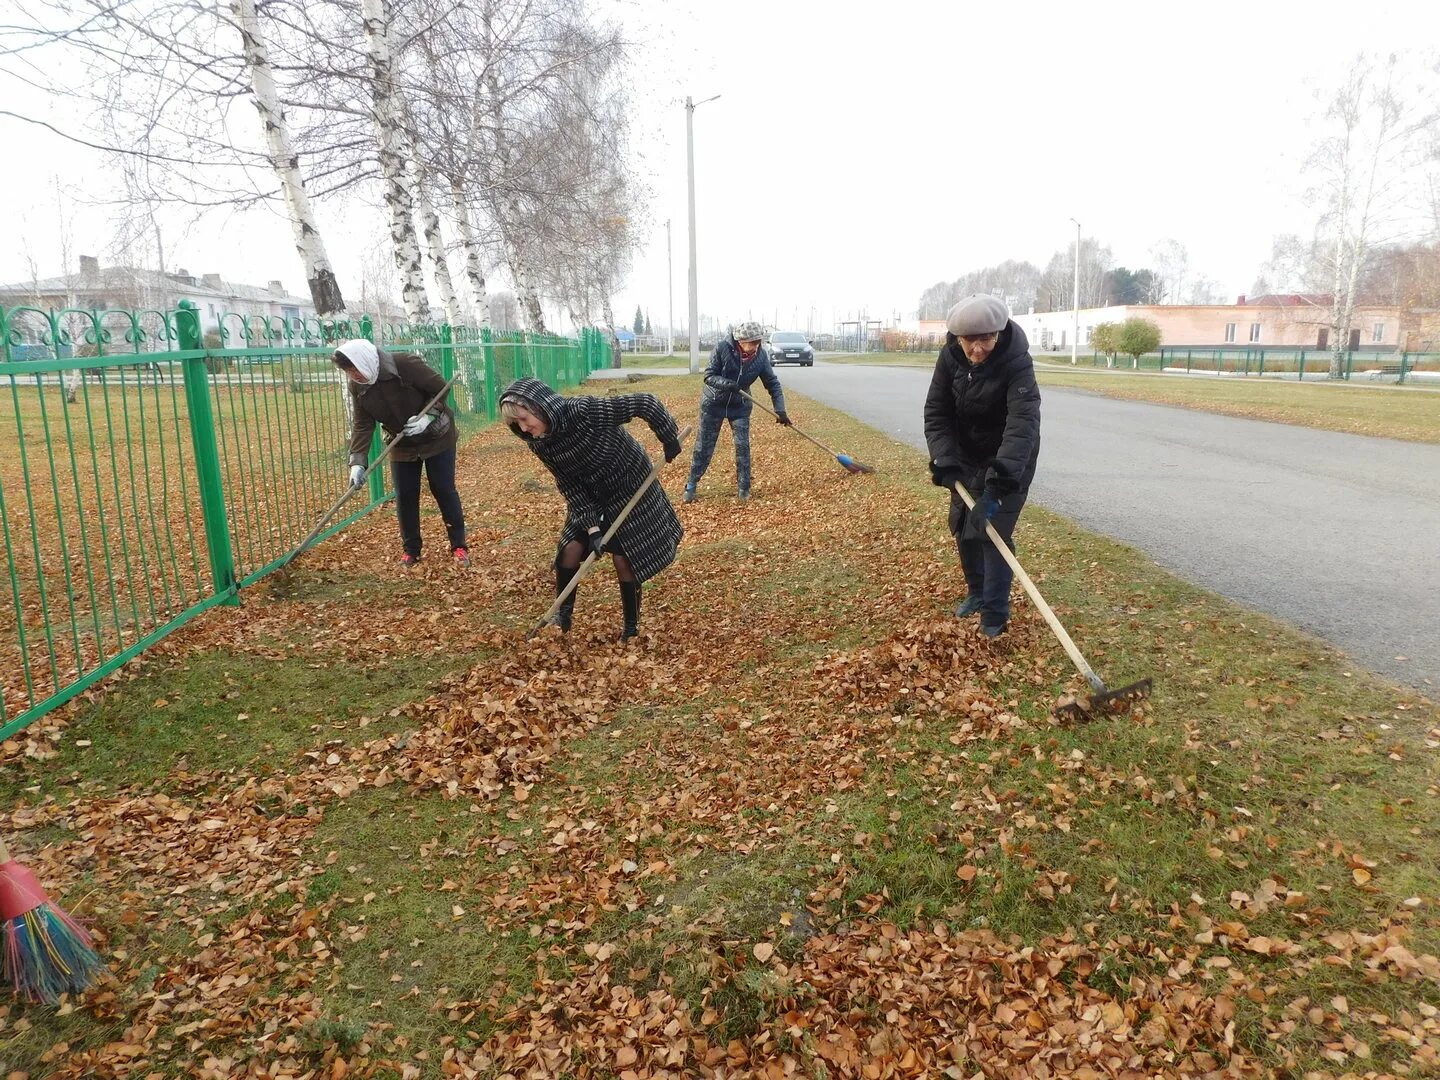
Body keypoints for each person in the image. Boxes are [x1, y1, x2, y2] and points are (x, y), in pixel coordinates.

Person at [499, 377, 683, 639]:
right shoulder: (540, 443)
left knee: (624, 555)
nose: (524, 428)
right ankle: (563, 616)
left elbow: (645, 403)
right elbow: (568, 484)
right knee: (570, 549)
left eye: (524, 419)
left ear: (539, 406)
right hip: (591, 493)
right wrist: (593, 527)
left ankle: (630, 628)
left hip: (629, 483)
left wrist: (668, 437)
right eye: (516, 424)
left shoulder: (583, 412)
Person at [923, 295, 1042, 638]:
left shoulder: (1017, 363)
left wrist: (998, 484)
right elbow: (937, 411)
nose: (977, 349)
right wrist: (944, 457)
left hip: (1010, 458)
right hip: (965, 455)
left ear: (1000, 334)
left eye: (986, 339)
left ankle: (994, 615)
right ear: (957, 338)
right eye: (969, 341)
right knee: (963, 526)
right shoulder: (949, 358)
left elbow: (1022, 425)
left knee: (993, 531)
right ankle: (976, 591)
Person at [333, 338, 468, 567]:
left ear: (364, 360)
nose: (353, 376)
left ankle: (459, 546)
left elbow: (441, 388)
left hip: (437, 436)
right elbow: (363, 424)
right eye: (349, 372)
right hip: (401, 442)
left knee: (443, 489)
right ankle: (411, 550)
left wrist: (428, 417)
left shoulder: (404, 364)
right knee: (405, 496)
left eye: (354, 369)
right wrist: (357, 462)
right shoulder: (358, 385)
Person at [684, 321, 791, 503]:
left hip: (740, 406)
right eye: (752, 342)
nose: (755, 346)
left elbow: (772, 383)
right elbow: (709, 376)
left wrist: (780, 409)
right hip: (713, 404)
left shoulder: (761, 357)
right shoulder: (722, 348)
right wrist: (727, 384)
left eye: (758, 342)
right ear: (740, 340)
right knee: (704, 448)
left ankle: (744, 488)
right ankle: (691, 485)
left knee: (743, 447)